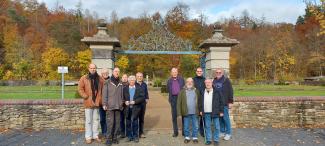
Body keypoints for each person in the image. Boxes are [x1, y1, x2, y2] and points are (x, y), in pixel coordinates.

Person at [78, 63, 104, 144]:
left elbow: (103, 90)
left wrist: (101, 99)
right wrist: (85, 96)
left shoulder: (100, 79)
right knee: (88, 121)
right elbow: (80, 88)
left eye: (94, 68)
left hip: (96, 103)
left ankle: (95, 136)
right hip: (88, 102)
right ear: (88, 69)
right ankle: (88, 137)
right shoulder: (84, 78)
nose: (93, 69)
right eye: (91, 68)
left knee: (96, 120)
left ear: (96, 69)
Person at [102, 67, 124, 146]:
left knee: (117, 123)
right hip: (110, 106)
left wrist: (122, 102)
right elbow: (104, 94)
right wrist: (104, 104)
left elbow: (122, 94)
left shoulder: (121, 82)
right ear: (113, 72)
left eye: (118, 71)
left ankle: (115, 137)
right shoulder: (107, 82)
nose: (117, 72)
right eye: (115, 71)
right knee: (110, 123)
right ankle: (108, 139)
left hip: (118, 106)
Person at [200, 78, 225, 146]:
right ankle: (209, 140)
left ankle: (216, 140)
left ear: (212, 83)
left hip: (215, 112)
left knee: (217, 126)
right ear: (205, 84)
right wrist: (201, 110)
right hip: (206, 112)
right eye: (206, 83)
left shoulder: (217, 91)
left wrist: (221, 111)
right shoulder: (202, 91)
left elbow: (221, 102)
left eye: (209, 82)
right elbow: (200, 102)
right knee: (207, 126)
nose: (208, 84)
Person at [177, 78, 201, 144]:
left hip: (195, 112)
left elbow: (199, 102)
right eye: (188, 82)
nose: (189, 83)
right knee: (186, 126)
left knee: (195, 125)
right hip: (186, 112)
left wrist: (200, 110)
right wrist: (179, 113)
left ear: (193, 83)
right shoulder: (182, 91)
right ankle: (187, 137)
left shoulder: (196, 91)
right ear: (186, 83)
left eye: (191, 82)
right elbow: (179, 103)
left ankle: (195, 137)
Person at [212, 68, 234, 141]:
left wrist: (230, 102)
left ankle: (228, 133)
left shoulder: (226, 80)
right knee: (220, 118)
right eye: (217, 72)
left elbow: (230, 91)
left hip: (224, 102)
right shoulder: (214, 80)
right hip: (217, 103)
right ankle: (222, 131)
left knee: (225, 118)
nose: (218, 73)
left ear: (222, 73)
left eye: (220, 72)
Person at [123, 75, 145, 143]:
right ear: (128, 81)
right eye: (130, 80)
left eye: (133, 80)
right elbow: (122, 97)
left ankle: (135, 136)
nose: (132, 81)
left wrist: (135, 102)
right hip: (127, 108)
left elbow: (142, 97)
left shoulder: (139, 88)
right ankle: (129, 136)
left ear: (135, 81)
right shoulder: (125, 88)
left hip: (136, 108)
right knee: (128, 123)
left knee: (135, 122)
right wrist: (124, 102)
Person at [167, 68, 185, 137]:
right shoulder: (169, 81)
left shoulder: (181, 79)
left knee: (183, 115)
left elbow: (184, 88)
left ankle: (184, 131)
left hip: (181, 99)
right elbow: (168, 89)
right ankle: (175, 132)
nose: (174, 73)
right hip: (173, 99)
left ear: (177, 72)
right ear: (171, 73)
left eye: (175, 72)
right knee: (174, 116)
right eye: (173, 72)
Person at [192, 67, 206, 137]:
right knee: (195, 116)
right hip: (195, 100)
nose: (199, 72)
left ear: (202, 72)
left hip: (203, 100)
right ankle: (195, 130)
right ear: (196, 72)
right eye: (198, 71)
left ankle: (202, 130)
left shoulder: (205, 79)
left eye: (200, 71)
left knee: (202, 116)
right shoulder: (193, 80)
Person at [135, 72, 149, 138]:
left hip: (143, 104)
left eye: (141, 76)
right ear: (136, 77)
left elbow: (146, 92)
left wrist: (147, 98)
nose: (140, 77)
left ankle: (141, 132)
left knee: (141, 118)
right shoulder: (134, 84)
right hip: (136, 104)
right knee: (135, 118)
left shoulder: (144, 84)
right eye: (138, 76)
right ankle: (135, 133)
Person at [99, 68, 110, 138]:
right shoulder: (99, 81)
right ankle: (104, 132)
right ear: (101, 73)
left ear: (108, 73)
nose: (105, 74)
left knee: (109, 119)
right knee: (102, 119)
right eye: (103, 73)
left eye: (106, 72)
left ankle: (109, 132)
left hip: (109, 103)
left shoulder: (111, 80)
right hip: (101, 103)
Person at [119, 74, 129, 138]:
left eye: (126, 77)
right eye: (123, 77)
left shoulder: (130, 85)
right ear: (121, 78)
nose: (124, 78)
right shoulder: (119, 85)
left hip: (128, 105)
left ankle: (128, 132)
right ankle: (122, 132)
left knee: (128, 119)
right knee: (121, 119)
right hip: (121, 105)